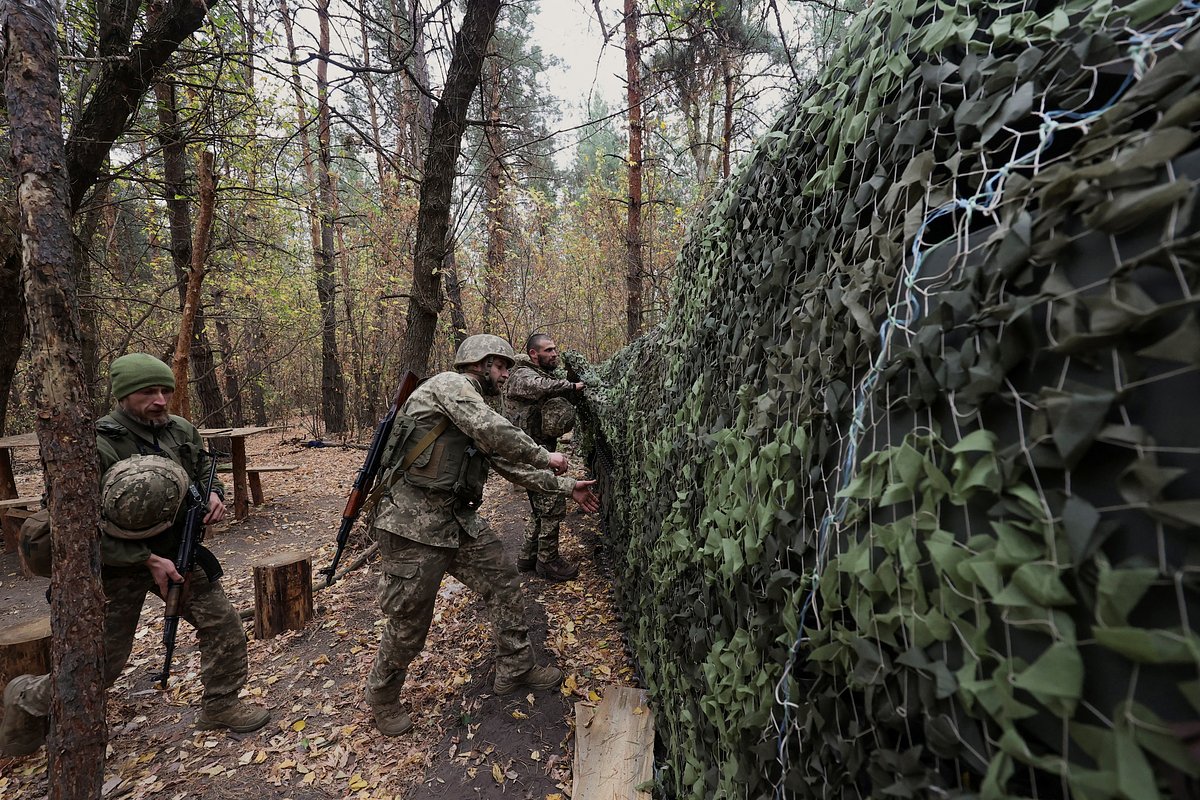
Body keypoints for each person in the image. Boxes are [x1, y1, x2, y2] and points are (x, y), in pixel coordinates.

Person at [0, 353, 270, 757]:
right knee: (102, 664)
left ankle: (220, 704)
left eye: (165, 391)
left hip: (178, 551)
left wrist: (215, 495)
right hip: (114, 565)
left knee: (223, 624)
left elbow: (200, 474)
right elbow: (72, 527)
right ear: (123, 395)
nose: (160, 400)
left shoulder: (180, 431)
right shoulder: (96, 443)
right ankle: (26, 698)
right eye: (148, 392)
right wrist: (144, 558)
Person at [364, 334, 600, 736]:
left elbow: (506, 463)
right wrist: (546, 455)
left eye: (508, 367)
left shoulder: (472, 404)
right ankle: (382, 697)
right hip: (411, 528)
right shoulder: (451, 387)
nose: (506, 375)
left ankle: (515, 667)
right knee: (409, 624)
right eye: (502, 366)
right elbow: (495, 432)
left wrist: (566, 486)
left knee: (504, 581)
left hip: (455, 521)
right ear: (480, 363)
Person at [503, 333, 585, 581]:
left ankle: (528, 557)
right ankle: (548, 562)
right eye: (548, 350)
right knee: (551, 504)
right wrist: (571, 387)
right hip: (531, 453)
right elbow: (540, 386)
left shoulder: (538, 373)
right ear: (533, 354)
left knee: (540, 508)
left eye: (555, 349)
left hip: (538, 450)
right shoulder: (521, 376)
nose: (554, 354)